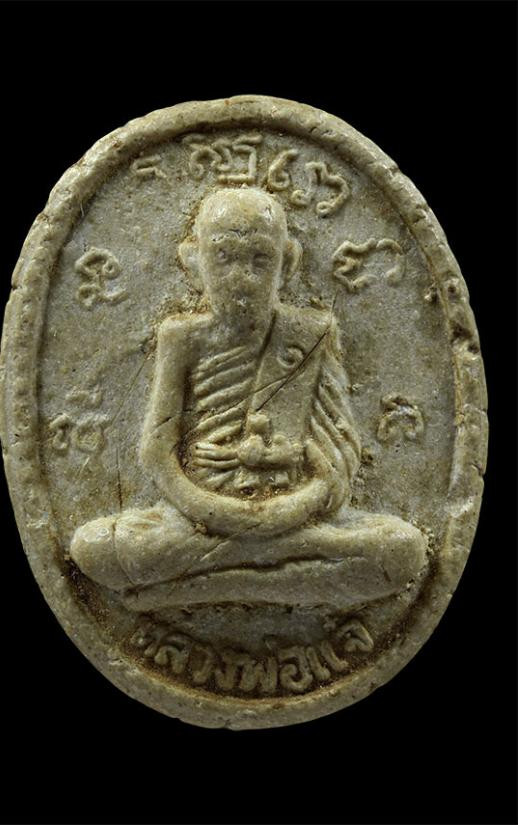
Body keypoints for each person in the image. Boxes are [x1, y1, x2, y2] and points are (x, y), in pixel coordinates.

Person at [70, 187, 427, 611]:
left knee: (401, 549)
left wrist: (286, 506)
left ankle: (188, 589)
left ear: (287, 264)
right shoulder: (181, 338)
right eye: (224, 258)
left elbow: (339, 456)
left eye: (260, 260)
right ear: (194, 263)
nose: (242, 277)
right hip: (198, 518)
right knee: (94, 547)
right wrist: (215, 511)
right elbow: (157, 453)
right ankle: (282, 580)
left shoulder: (311, 334)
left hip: (295, 520)